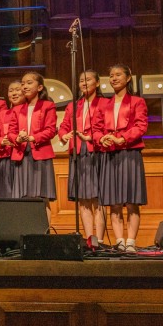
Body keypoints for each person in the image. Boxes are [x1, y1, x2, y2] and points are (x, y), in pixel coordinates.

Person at [92, 64, 148, 252]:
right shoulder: (104, 104)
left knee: (132, 200)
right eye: (111, 75)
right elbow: (96, 129)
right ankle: (119, 241)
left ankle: (130, 241)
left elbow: (141, 126)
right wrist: (101, 139)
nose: (114, 78)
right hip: (109, 154)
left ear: (128, 78)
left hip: (129, 153)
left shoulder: (137, 101)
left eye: (118, 75)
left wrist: (122, 138)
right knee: (114, 202)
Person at [58, 70, 106, 243]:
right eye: (81, 80)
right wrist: (64, 135)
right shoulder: (73, 105)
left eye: (88, 79)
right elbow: (64, 126)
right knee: (83, 198)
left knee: (98, 197)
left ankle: (99, 240)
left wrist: (91, 137)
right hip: (77, 152)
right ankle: (89, 239)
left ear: (97, 83)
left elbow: (107, 126)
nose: (84, 83)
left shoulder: (105, 103)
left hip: (96, 150)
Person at [8, 72, 58, 226]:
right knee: (23, 196)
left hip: (40, 154)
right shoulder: (17, 109)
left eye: (29, 83)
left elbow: (51, 130)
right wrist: (17, 138)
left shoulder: (48, 106)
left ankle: (44, 232)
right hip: (21, 155)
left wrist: (32, 137)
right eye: (23, 83)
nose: (24, 86)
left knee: (41, 196)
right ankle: (25, 230)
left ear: (40, 87)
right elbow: (11, 131)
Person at [0, 80, 24, 198]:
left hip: (22, 158)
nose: (14, 93)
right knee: (5, 196)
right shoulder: (2, 114)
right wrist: (1, 141)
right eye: (11, 91)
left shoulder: (29, 113)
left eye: (17, 90)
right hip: (4, 157)